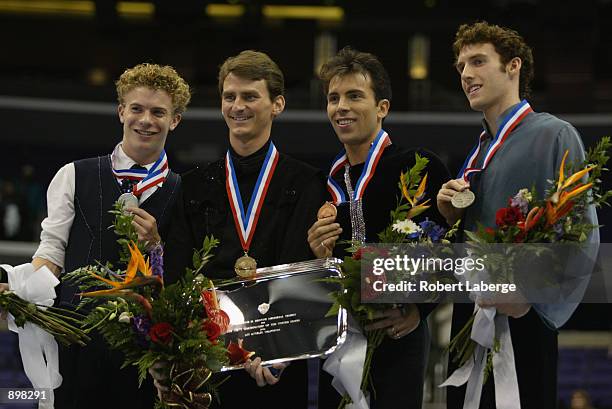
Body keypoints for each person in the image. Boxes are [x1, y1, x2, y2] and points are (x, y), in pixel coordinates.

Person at [436, 21, 600, 409]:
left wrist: (530, 294)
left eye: (478, 61)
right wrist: (450, 218)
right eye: (461, 66)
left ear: (513, 66)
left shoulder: (554, 134)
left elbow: (582, 234)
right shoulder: (477, 153)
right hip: (471, 315)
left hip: (523, 316)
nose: (466, 74)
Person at [163, 50, 327, 408]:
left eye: (250, 96)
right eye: (230, 96)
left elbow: (300, 271)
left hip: (275, 365)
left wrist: (275, 349)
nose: (238, 106)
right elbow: (180, 273)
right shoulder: (192, 187)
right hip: (206, 364)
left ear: (277, 104)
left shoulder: (307, 182)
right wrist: (202, 343)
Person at [30, 63, 191, 409]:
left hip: (147, 357)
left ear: (174, 120)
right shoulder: (73, 175)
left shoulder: (186, 193)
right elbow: (52, 249)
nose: (145, 120)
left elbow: (188, 274)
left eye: (158, 112)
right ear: (121, 112)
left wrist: (157, 247)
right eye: (137, 108)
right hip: (74, 341)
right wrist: (24, 291)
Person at [306, 46, 450, 409]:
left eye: (355, 96)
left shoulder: (419, 167)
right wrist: (318, 256)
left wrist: (420, 309)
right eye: (334, 98)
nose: (342, 107)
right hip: (338, 341)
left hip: (397, 334)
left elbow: (449, 249)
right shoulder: (326, 182)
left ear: (382, 107)